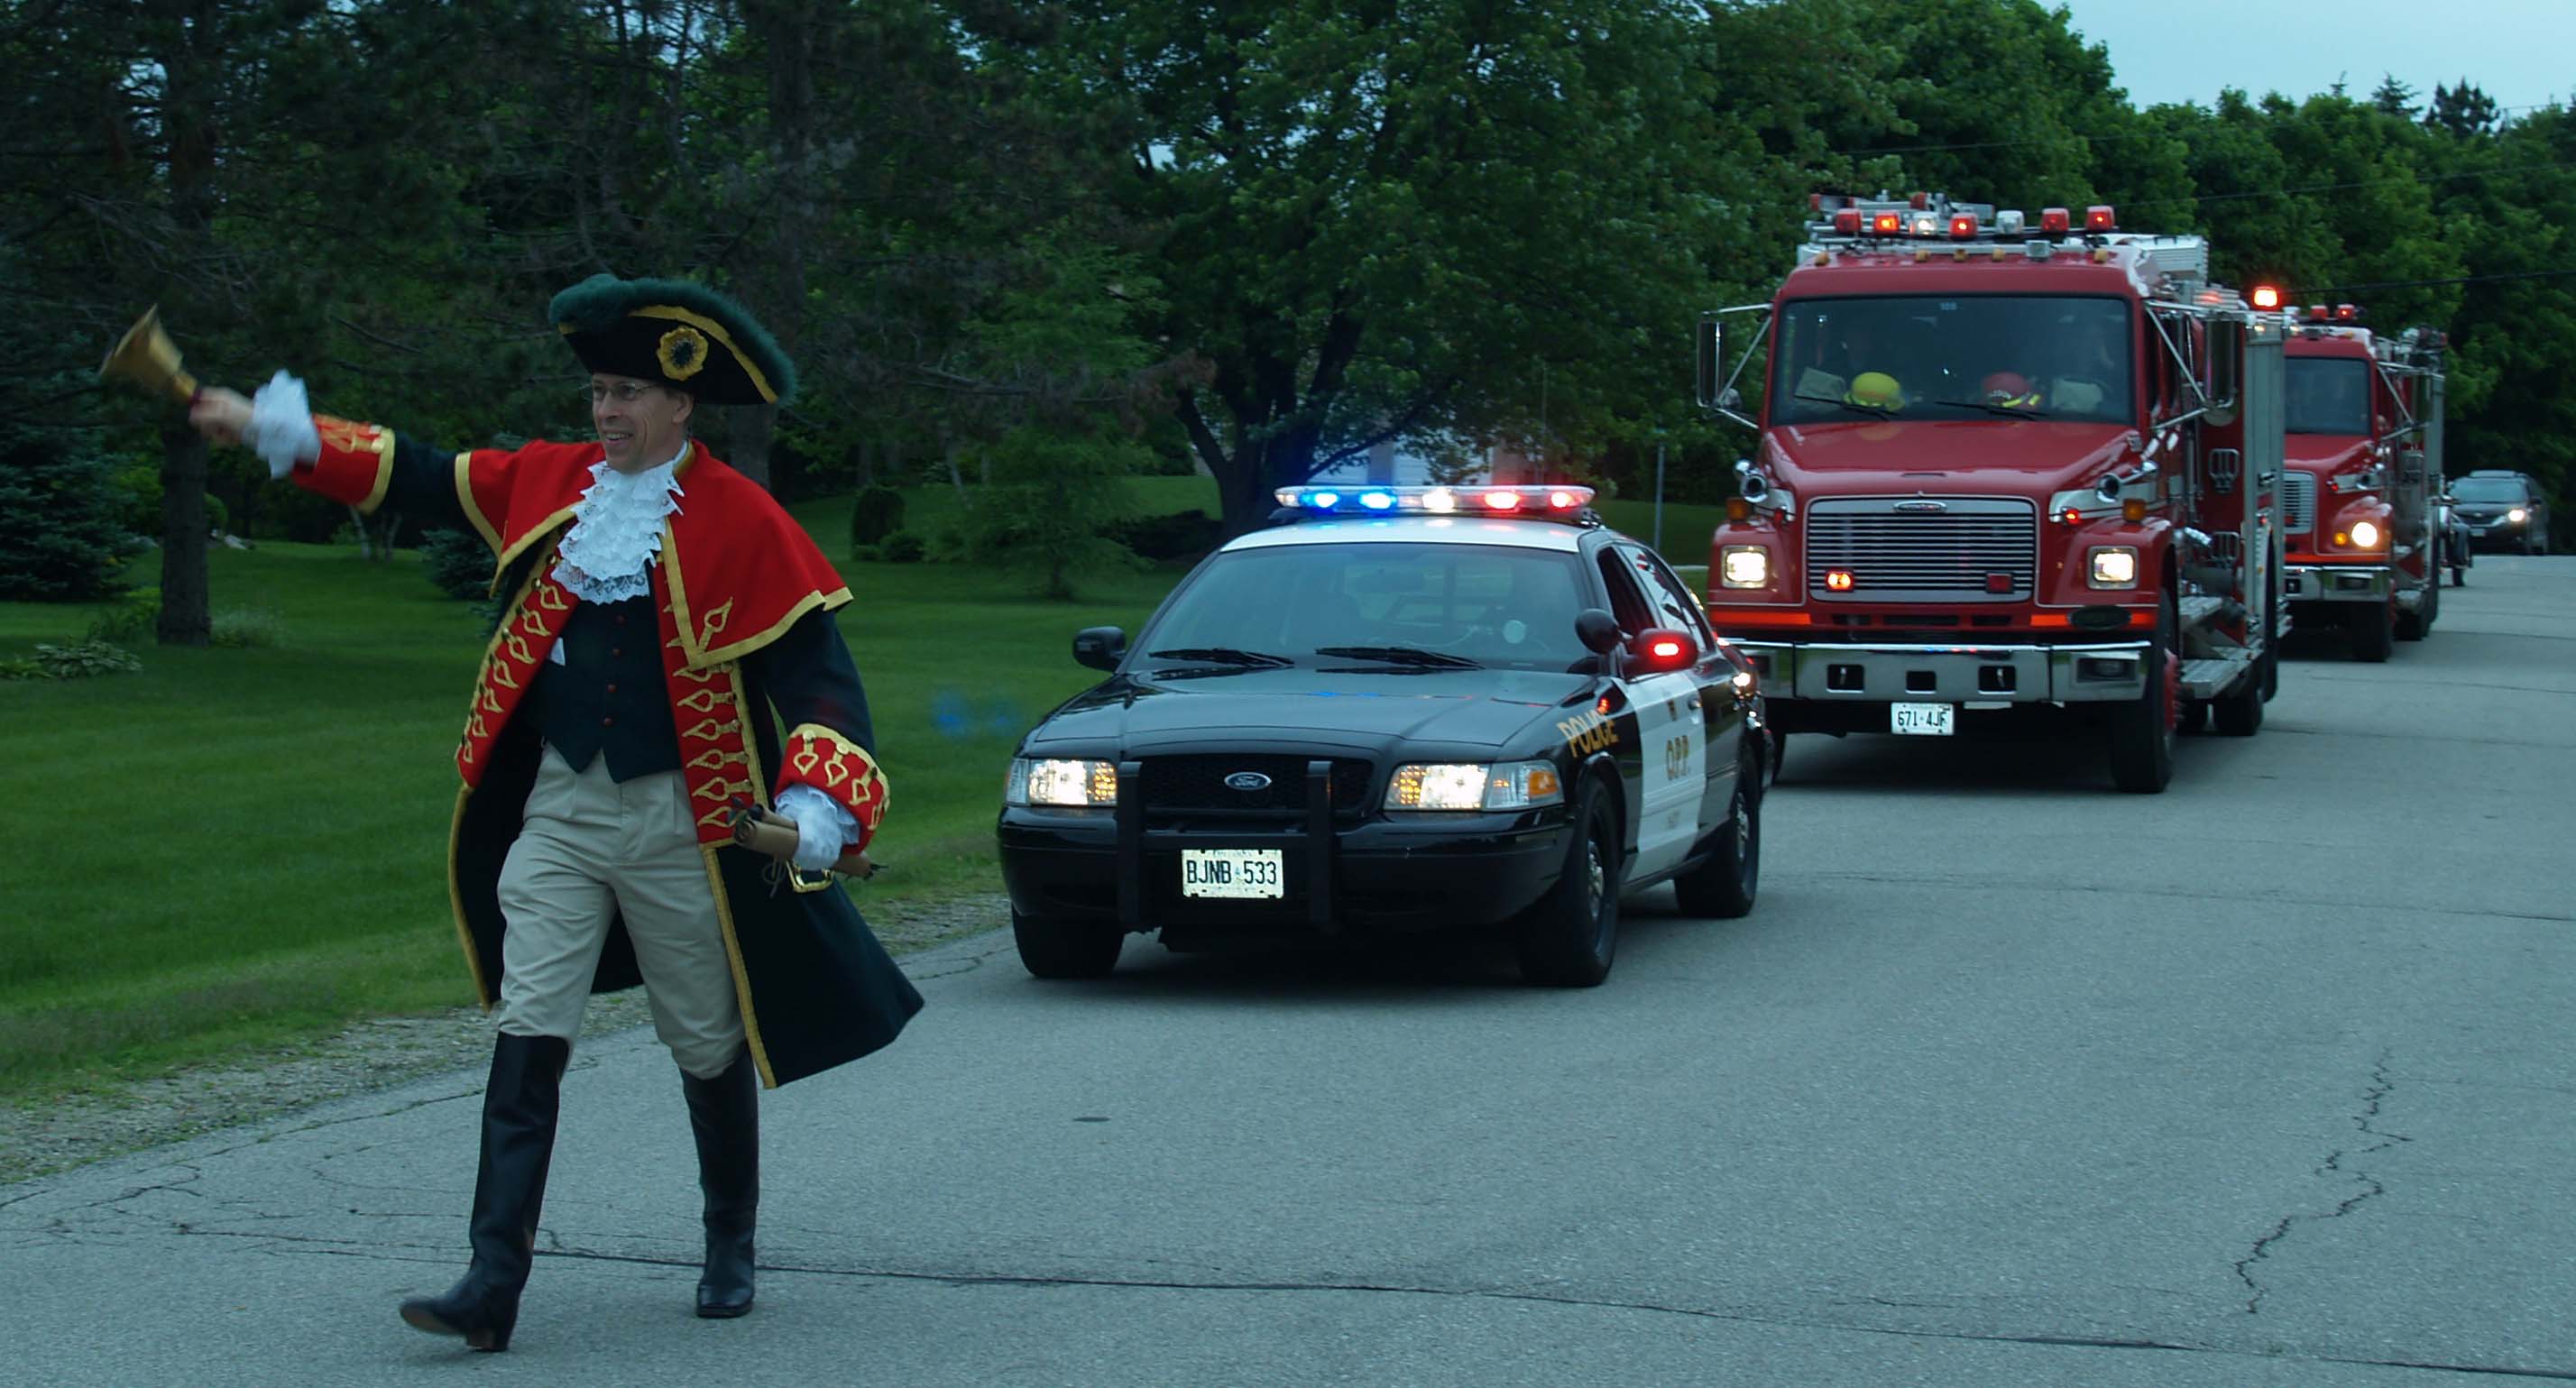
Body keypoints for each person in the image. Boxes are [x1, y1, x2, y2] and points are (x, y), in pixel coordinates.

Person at [189, 273, 923, 1352]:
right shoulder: (549, 481)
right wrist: (273, 428)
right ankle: (492, 1282)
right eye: (598, 393)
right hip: (562, 811)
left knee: (704, 1038)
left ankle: (729, 1238)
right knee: (529, 1027)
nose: (606, 413)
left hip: (682, 824)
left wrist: (816, 803)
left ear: (680, 404)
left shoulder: (744, 519)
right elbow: (415, 473)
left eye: (627, 394)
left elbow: (822, 686)